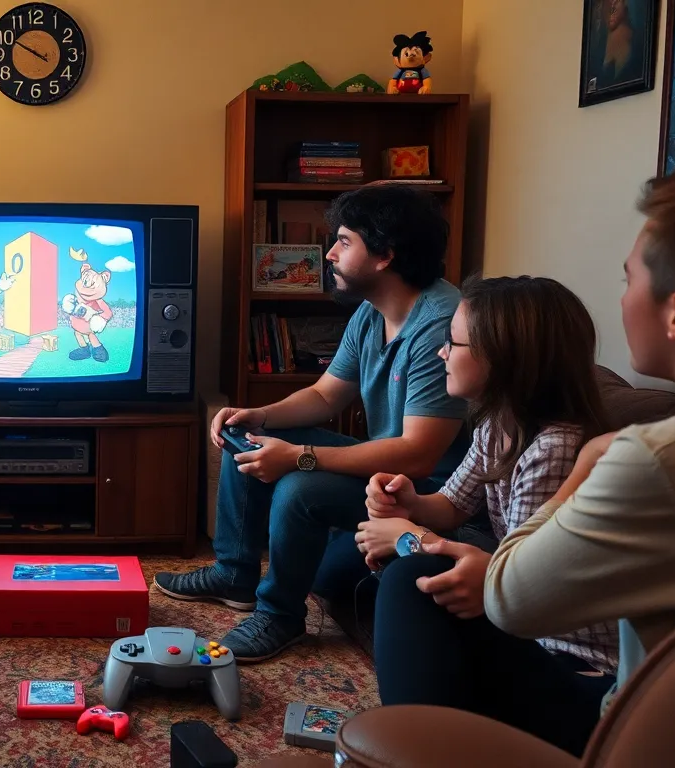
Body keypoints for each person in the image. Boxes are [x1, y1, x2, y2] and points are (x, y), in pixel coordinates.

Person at [155, 183, 469, 661]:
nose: (329, 254)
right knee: (248, 434)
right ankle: (233, 574)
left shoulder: (437, 325)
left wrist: (298, 457)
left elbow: (419, 454)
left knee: (299, 487)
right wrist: (260, 414)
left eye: (343, 241)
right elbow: (325, 395)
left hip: (425, 491)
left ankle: (281, 615)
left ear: (384, 255)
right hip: (382, 469)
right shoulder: (372, 311)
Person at [485, 159, 675, 722]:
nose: (621, 300)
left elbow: (508, 597)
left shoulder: (657, 458)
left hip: (635, 733)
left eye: (628, 280)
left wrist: (587, 464)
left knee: (410, 595)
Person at [357, 276, 618, 757]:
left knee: (409, 578)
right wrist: (409, 503)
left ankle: (414, 748)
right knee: (373, 571)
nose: (441, 353)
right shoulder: (498, 423)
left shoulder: (555, 449)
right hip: (526, 632)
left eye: (453, 343)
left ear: (505, 359)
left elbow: (517, 584)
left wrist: (409, 537)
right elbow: (453, 505)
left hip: (576, 666)